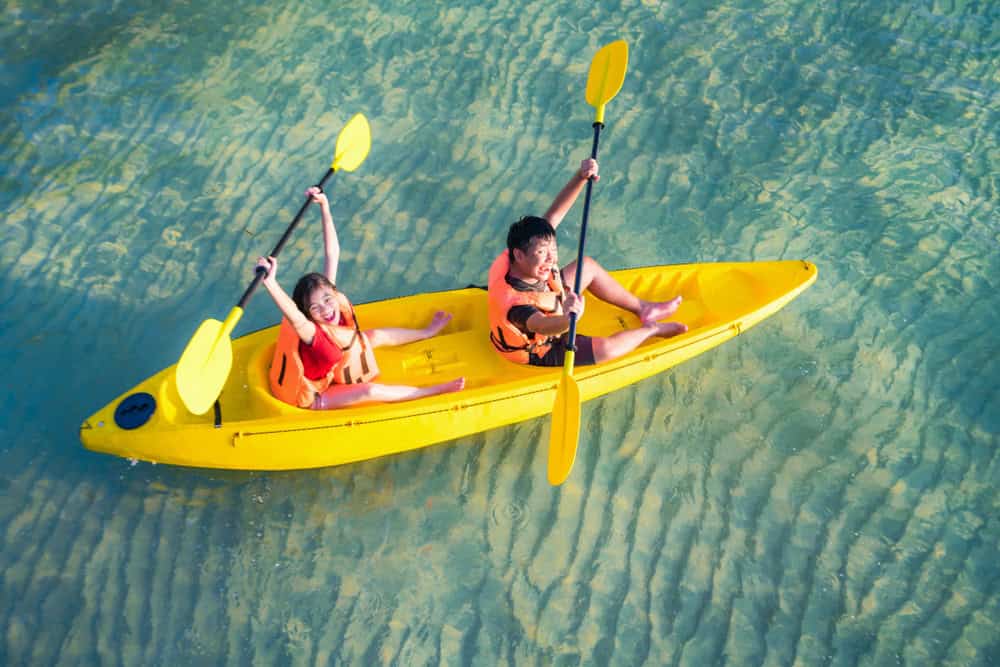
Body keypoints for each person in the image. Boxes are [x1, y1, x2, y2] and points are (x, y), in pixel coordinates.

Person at [257, 186, 465, 409]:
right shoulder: (312, 334)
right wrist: (270, 282)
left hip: (325, 370)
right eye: (315, 308)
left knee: (372, 336)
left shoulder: (331, 301)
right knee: (371, 390)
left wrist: (324, 207)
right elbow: (296, 318)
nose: (326, 310)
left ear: (332, 293)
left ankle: (426, 333)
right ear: (308, 314)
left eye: (327, 299)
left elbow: (332, 254)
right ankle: (431, 391)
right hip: (310, 397)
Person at [488, 158, 687, 367]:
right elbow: (543, 325)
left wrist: (580, 177)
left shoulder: (524, 250)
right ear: (519, 255)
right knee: (606, 350)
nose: (551, 259)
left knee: (587, 266)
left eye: (553, 250)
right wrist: (569, 318)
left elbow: (555, 214)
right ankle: (652, 329)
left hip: (551, 301)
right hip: (540, 348)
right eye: (542, 252)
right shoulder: (517, 307)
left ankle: (643, 308)